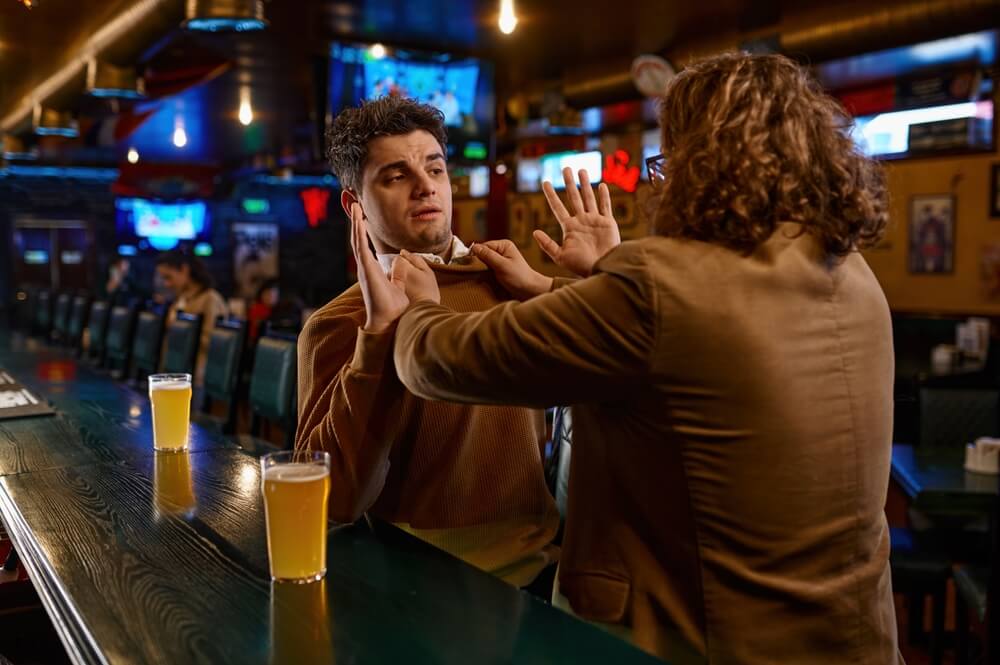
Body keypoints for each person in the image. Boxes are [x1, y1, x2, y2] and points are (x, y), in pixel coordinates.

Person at [364, 53, 899, 664]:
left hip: (698, 641)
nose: (660, 181)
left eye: (667, 161)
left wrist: (418, 308)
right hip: (854, 641)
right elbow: (695, 341)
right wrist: (576, 283)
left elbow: (439, 361)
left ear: (701, 165)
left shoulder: (657, 285)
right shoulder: (853, 274)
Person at [294, 96, 562, 589]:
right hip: (412, 589)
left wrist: (559, 288)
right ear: (354, 204)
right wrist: (380, 337)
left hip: (543, 577)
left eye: (435, 170)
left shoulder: (510, 284)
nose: (425, 187)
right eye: (396, 176)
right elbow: (332, 499)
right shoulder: (338, 323)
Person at [155, 250, 228, 385]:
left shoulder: (210, 299)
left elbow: (214, 344)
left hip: (195, 379)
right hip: (173, 373)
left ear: (184, 270)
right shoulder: (181, 298)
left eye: (168, 277)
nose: (166, 284)